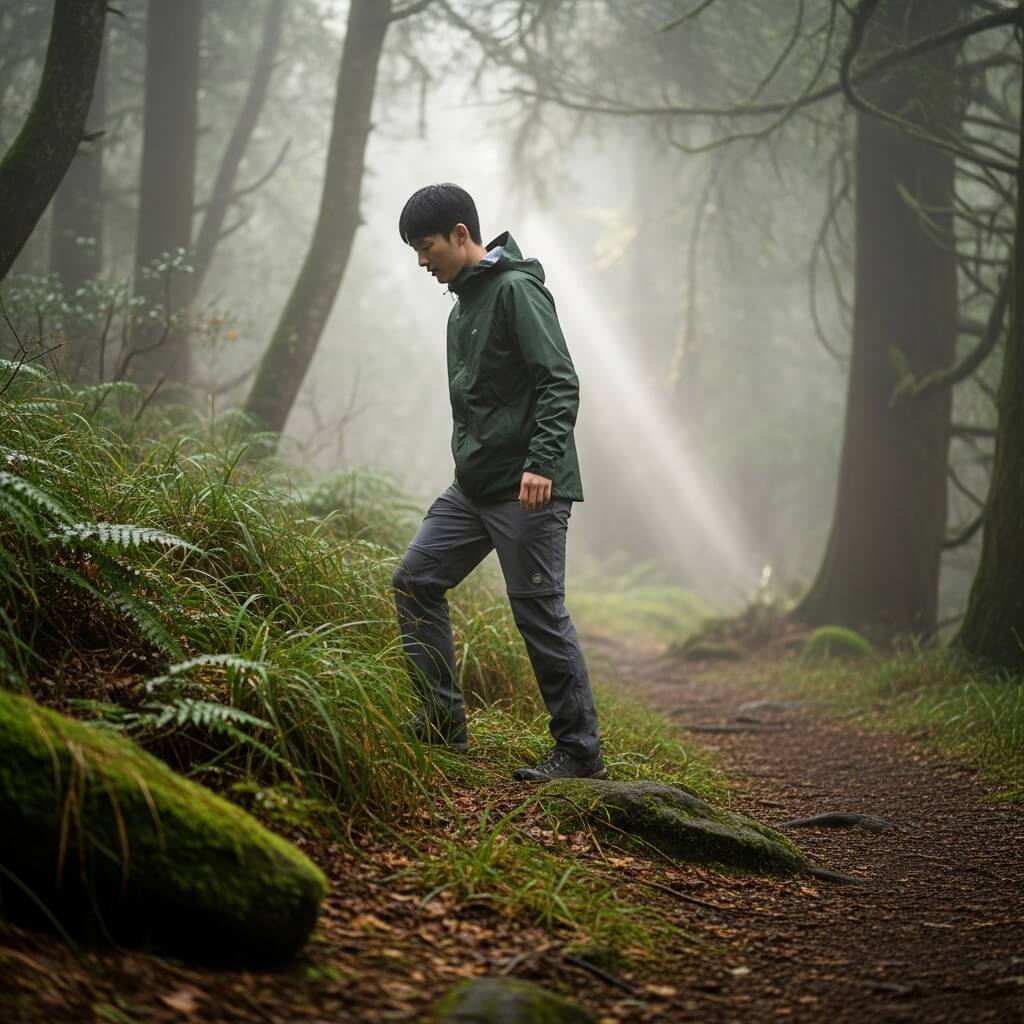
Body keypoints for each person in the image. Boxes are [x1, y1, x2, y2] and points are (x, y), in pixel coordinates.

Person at [392, 183, 605, 782]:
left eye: (426, 245)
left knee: (538, 613)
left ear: (461, 235)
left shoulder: (515, 290)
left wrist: (541, 462)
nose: (421, 260)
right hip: (475, 487)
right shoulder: (463, 305)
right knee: (415, 581)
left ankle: (579, 752)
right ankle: (441, 723)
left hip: (529, 486)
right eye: (414, 248)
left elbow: (559, 380)